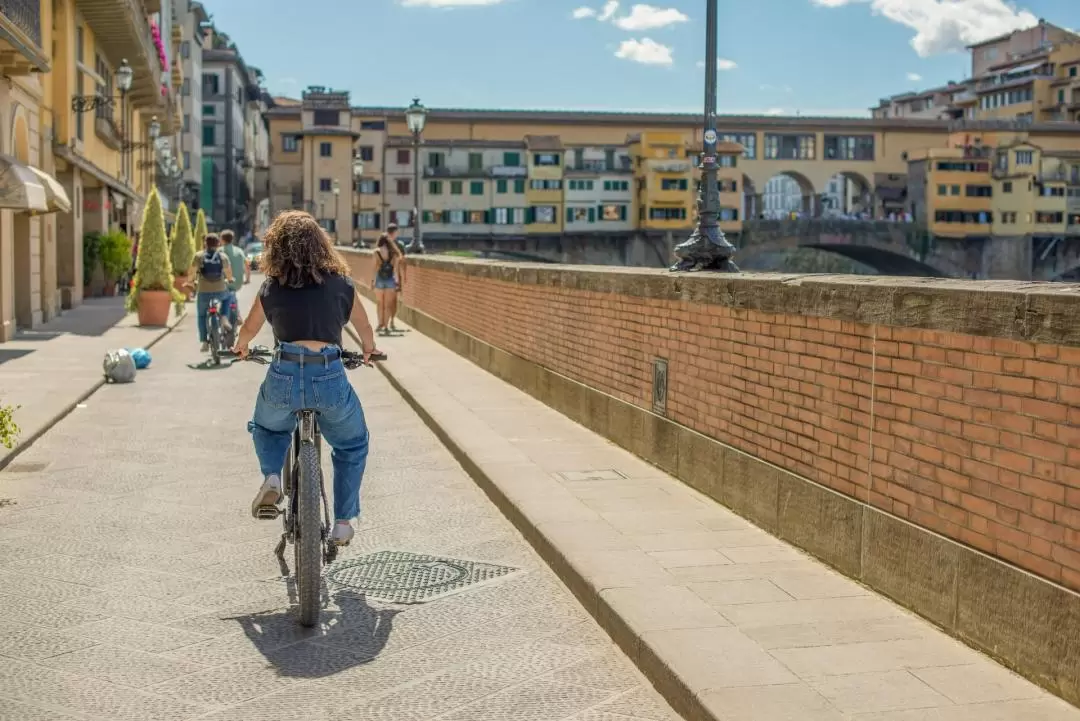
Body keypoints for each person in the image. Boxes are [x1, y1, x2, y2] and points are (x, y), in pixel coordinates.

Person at [232, 210, 379, 546]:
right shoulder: (342, 283)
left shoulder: (272, 286)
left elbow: (249, 330)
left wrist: (241, 347)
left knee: (268, 426)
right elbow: (364, 328)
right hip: (328, 375)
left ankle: (272, 476)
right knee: (352, 443)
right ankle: (342, 521)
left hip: (284, 373)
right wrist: (369, 351)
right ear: (321, 244)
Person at [185, 233, 234, 352]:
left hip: (203, 290)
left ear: (205, 243)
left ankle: (204, 342)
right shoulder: (223, 256)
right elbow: (228, 273)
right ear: (218, 244)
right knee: (228, 297)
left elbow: (192, 272)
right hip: (220, 289)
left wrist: (191, 282)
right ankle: (223, 317)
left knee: (202, 315)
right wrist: (230, 279)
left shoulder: (199, 256)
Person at [372, 229, 402, 335]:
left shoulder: (376, 252)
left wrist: (373, 281)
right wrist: (397, 283)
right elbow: (395, 271)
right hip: (390, 280)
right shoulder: (394, 254)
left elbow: (375, 268)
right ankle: (386, 325)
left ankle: (380, 324)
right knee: (388, 305)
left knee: (380, 303)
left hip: (379, 279)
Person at [220, 229, 249, 328]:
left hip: (223, 283)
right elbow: (247, 265)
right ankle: (237, 314)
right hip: (238, 283)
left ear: (222, 240)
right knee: (232, 293)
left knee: (223, 297)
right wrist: (247, 279)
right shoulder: (239, 250)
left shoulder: (220, 251)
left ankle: (224, 317)